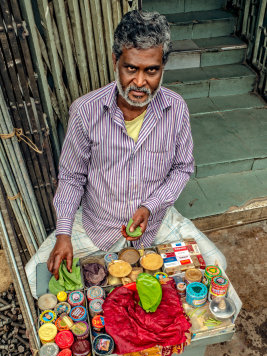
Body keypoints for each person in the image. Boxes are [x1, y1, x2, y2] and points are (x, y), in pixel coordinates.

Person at [26, 10, 226, 298]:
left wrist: (151, 206)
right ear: (115, 61)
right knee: (37, 280)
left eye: (151, 70)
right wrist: (63, 234)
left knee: (217, 266)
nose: (140, 82)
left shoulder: (176, 108)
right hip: (97, 223)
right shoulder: (85, 111)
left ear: (163, 66)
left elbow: (183, 168)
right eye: (131, 68)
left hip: (157, 223)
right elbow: (71, 177)